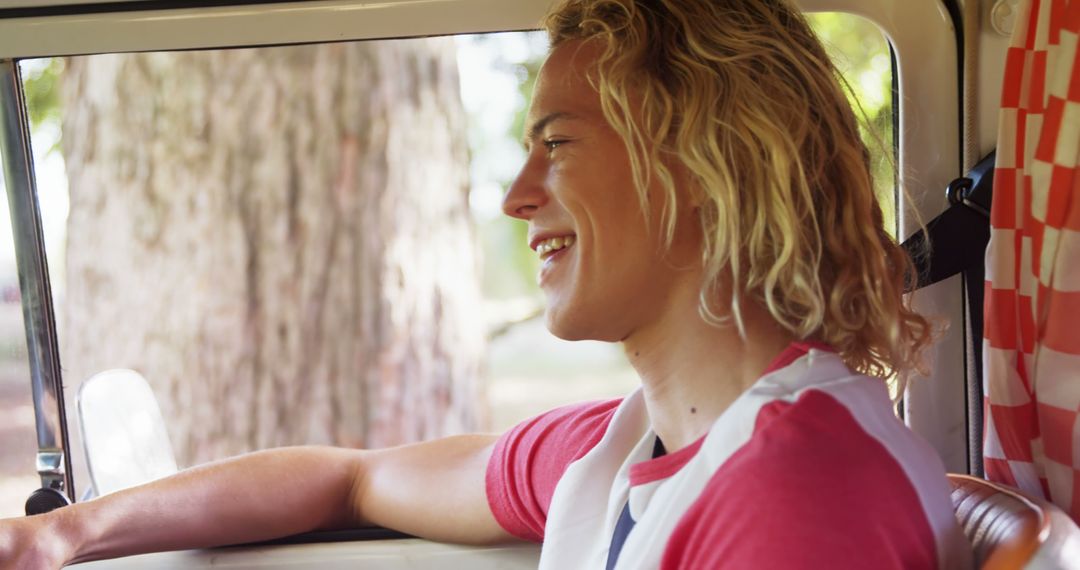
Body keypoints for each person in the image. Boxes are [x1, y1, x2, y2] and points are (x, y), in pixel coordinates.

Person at [0, 0, 971, 568]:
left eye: (555, 145)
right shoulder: (637, 441)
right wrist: (60, 536)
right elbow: (353, 477)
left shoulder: (796, 493)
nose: (515, 196)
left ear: (699, 164)